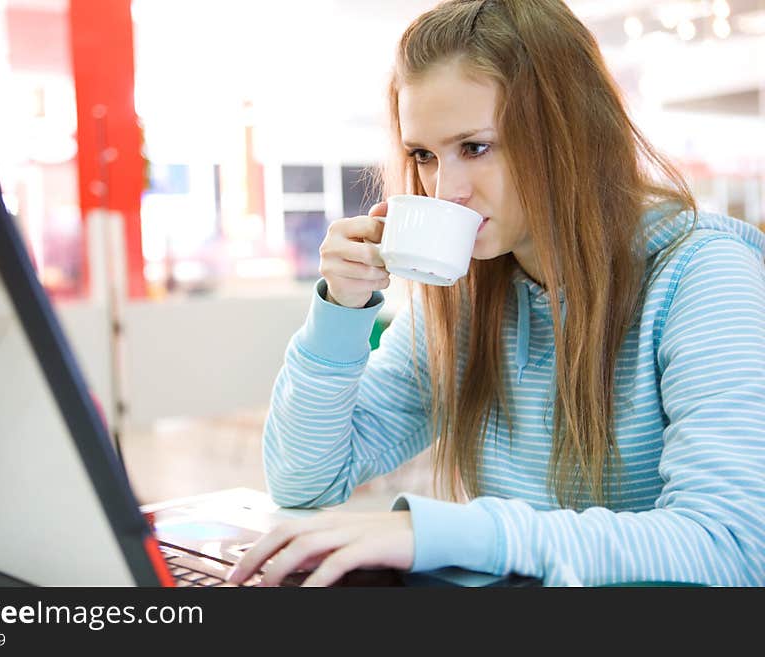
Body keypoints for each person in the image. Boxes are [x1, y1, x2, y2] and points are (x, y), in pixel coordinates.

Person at [227, 0, 765, 587]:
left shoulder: (704, 276)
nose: (445, 189)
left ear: (571, 133)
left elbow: (731, 546)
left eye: (475, 147)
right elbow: (305, 480)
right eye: (424, 156)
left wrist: (442, 533)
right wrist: (340, 311)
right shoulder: (470, 295)